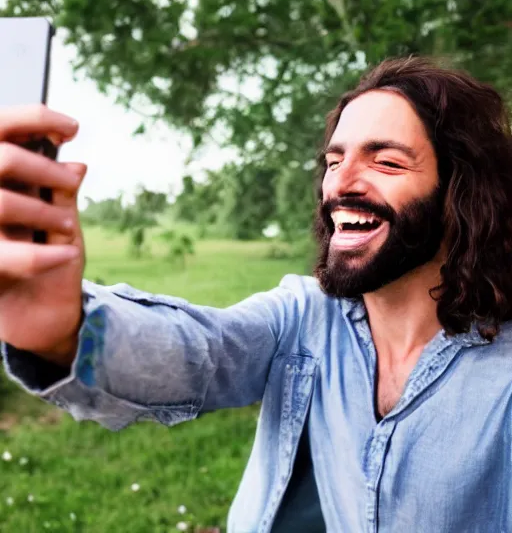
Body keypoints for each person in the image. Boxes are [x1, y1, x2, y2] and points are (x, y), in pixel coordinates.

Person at [1, 56, 512, 533]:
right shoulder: (305, 315)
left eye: (387, 162)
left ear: (460, 195)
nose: (341, 184)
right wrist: (66, 330)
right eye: (334, 161)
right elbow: (200, 352)